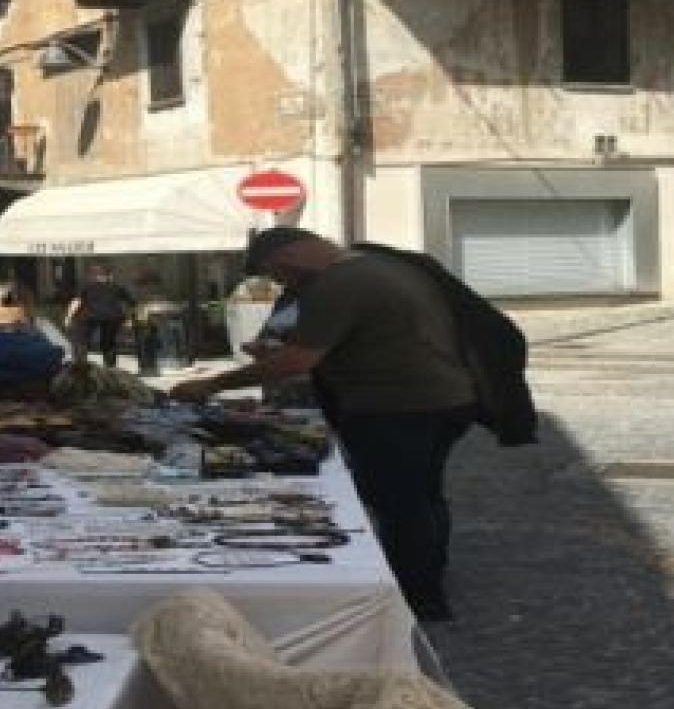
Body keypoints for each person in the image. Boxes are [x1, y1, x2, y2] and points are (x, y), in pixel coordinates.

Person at [170, 227, 481, 621]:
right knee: (424, 494)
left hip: (395, 406)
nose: (285, 283)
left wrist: (211, 385)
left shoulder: (338, 283)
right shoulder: (378, 265)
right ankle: (429, 576)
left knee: (399, 503)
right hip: (444, 398)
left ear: (289, 255)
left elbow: (297, 362)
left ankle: (418, 598)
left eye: (278, 273)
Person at [70, 265, 135, 369]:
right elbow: (130, 303)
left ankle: (80, 364)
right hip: (112, 317)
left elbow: (77, 301)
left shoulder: (87, 287)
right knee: (108, 342)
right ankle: (110, 366)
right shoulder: (116, 287)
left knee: (80, 339)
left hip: (90, 316)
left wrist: (69, 316)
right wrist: (129, 319)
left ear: (94, 276)